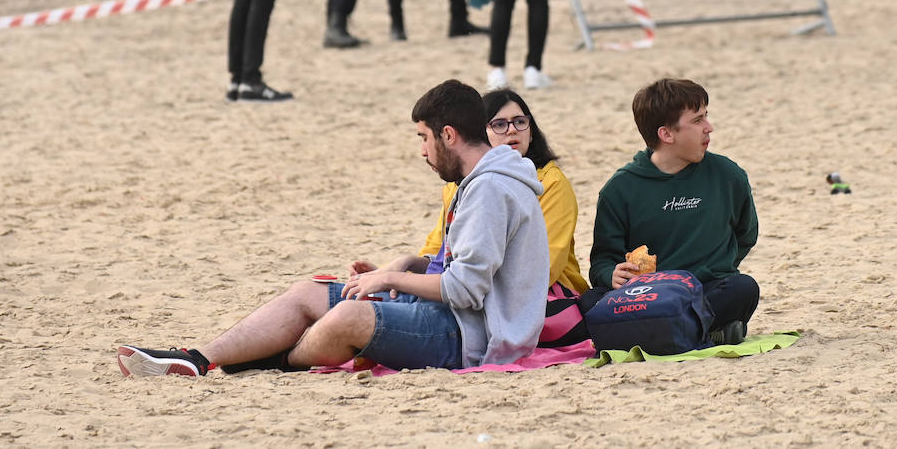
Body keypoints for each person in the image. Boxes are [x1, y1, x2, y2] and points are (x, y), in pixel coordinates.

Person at [116, 80, 549, 376]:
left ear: (449, 135)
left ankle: (278, 359)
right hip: (452, 314)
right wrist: (408, 264)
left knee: (348, 315)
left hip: (471, 335)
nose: (422, 151)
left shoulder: (490, 190)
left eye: (423, 137)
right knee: (311, 291)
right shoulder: (479, 181)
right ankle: (196, 358)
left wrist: (391, 278)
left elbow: (468, 289)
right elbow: (465, 263)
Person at [586, 78, 759, 345]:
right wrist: (612, 274)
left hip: (704, 291)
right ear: (667, 134)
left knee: (742, 288)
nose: (709, 128)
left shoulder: (728, 175)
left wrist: (715, 267)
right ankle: (700, 332)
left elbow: (745, 235)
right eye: (698, 120)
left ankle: (665, 331)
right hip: (646, 296)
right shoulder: (619, 189)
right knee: (590, 301)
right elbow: (602, 261)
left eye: (706, 117)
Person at [420, 89, 590, 346]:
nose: (512, 131)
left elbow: (547, 265)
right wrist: (406, 271)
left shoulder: (550, 182)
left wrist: (465, 284)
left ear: (531, 131)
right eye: (499, 124)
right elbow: (438, 251)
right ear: (480, 134)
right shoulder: (458, 185)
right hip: (474, 286)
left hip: (544, 294)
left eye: (520, 122)